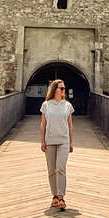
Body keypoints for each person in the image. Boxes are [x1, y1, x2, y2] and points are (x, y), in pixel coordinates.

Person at [39, 78, 74, 210]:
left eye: (64, 88)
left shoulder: (67, 106)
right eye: (61, 88)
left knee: (61, 168)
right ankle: (54, 196)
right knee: (51, 170)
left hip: (64, 141)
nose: (63, 90)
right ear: (55, 90)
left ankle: (61, 197)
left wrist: (71, 141)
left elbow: (70, 125)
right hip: (50, 140)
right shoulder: (46, 105)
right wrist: (42, 140)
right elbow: (43, 124)